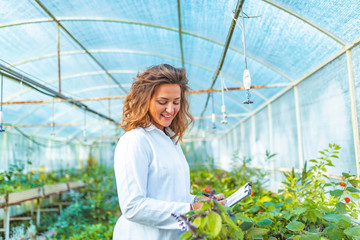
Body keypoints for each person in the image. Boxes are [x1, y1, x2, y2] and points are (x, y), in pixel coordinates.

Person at [113, 64, 226, 240]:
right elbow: (133, 206)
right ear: (145, 100)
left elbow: (171, 194)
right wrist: (191, 209)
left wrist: (198, 202)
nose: (170, 109)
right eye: (162, 102)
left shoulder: (170, 140)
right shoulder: (135, 140)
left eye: (176, 102)